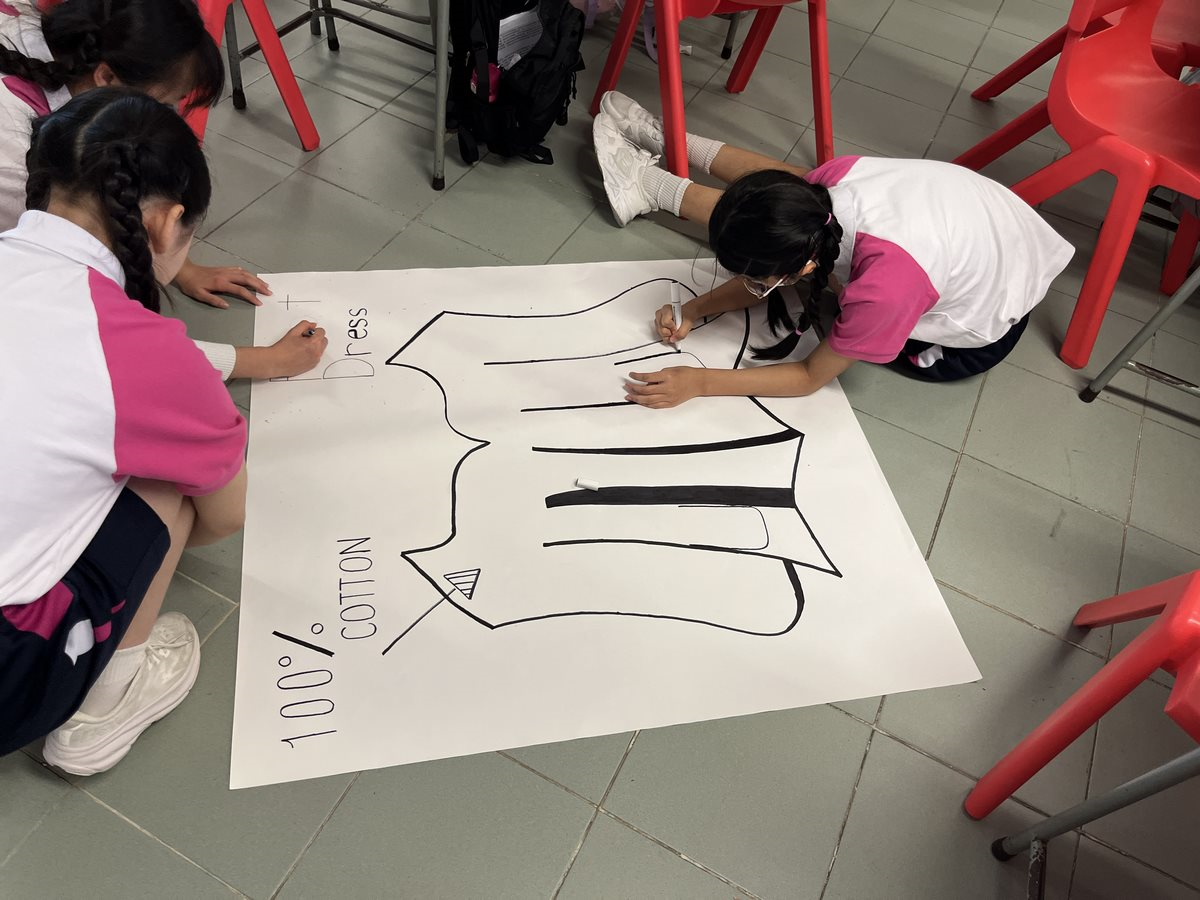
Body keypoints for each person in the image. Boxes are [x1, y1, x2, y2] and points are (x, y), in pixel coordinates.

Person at [0, 88, 326, 773]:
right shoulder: (147, 357)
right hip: (10, 674)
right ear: (169, 221)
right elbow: (224, 517)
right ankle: (107, 704)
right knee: (168, 486)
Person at [591, 92, 1075, 408]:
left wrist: (700, 382)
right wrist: (695, 308)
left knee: (844, 308)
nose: (755, 286)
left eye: (760, 280)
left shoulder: (884, 290)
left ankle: (651, 181)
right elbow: (780, 266)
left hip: (981, 330)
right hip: (996, 237)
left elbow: (808, 376)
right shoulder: (831, 184)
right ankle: (669, 143)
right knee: (788, 217)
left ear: (801, 267)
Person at [0, 0, 322, 380]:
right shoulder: (16, 167)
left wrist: (180, 266)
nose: (167, 118)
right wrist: (264, 362)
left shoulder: (50, 37)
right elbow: (100, 334)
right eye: (162, 104)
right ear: (107, 78)